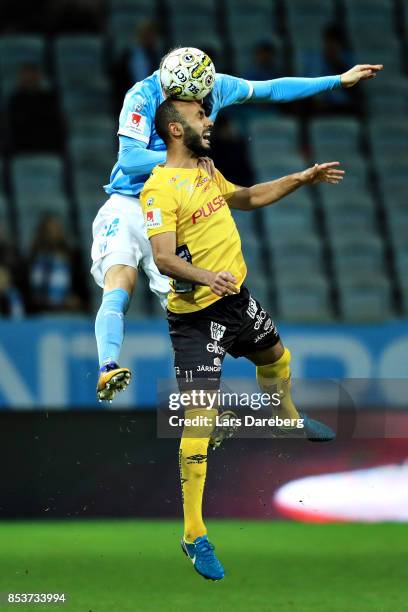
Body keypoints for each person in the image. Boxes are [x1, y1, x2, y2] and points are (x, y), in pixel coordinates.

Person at [91, 45, 382, 401]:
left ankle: (203, 406)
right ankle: (108, 366)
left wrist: (337, 81)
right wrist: (188, 159)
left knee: (187, 309)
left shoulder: (216, 87)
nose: (179, 103)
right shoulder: (142, 94)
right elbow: (130, 158)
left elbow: (272, 89)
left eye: (189, 100)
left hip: (177, 210)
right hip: (128, 202)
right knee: (119, 283)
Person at [140, 98, 344, 580]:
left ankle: (287, 418)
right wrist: (205, 275)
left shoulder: (207, 173)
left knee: (276, 355)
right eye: (198, 116)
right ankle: (194, 535)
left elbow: (247, 198)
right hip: (195, 316)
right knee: (201, 420)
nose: (208, 121)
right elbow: (164, 258)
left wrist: (300, 178)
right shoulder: (159, 190)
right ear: (174, 128)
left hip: (233, 299)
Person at [6, 64, 65, 155]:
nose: (29, 79)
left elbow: (56, 124)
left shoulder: (50, 97)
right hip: (21, 147)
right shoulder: (14, 99)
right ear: (20, 78)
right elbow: (13, 125)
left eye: (32, 76)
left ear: (38, 77)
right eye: (26, 76)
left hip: (48, 146)